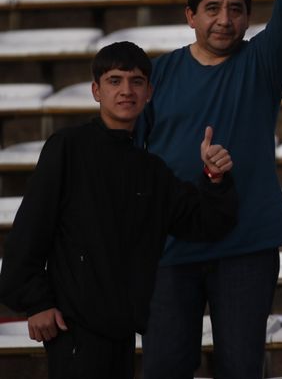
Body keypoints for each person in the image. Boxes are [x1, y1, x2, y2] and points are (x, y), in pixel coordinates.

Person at [136, 0, 282, 379]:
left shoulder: (261, 65)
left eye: (236, 10)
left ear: (248, 19)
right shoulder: (155, 76)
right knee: (164, 366)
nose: (224, 20)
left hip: (246, 245)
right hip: (170, 248)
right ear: (190, 16)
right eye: (212, 8)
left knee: (240, 367)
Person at [0, 41, 238, 379]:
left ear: (149, 92)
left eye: (136, 81)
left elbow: (205, 222)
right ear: (96, 91)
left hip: (123, 331)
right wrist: (36, 301)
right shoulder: (67, 148)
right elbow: (30, 231)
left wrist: (216, 177)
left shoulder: (152, 171)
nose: (126, 90)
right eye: (114, 81)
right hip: (72, 328)